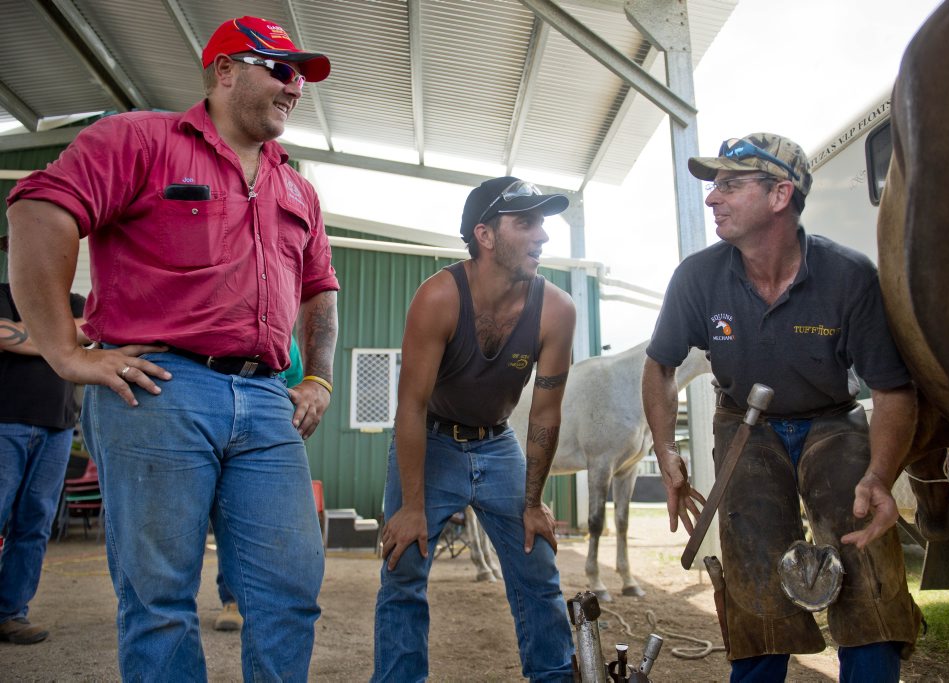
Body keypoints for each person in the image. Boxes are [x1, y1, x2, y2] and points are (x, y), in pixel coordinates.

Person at [5, 16, 338, 681]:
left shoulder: (296, 187)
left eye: (300, 76)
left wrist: (321, 380)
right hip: (160, 387)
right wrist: (68, 353)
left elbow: (320, 291)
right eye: (279, 68)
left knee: (291, 590)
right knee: (159, 598)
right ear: (224, 69)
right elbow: (39, 211)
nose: (295, 87)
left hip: (267, 398)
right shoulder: (140, 140)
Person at [641, 133, 923, 682]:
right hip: (745, 427)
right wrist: (665, 449)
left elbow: (892, 391)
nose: (712, 198)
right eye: (713, 185)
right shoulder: (698, 278)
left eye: (730, 184)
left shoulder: (849, 276)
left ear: (779, 195)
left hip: (832, 422)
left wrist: (881, 476)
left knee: (864, 561)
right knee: (754, 575)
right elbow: (660, 366)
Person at [373, 177, 577, 682]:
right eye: (525, 223)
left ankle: (553, 676)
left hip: (497, 442)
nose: (542, 236)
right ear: (485, 235)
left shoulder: (557, 309)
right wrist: (413, 506)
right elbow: (411, 406)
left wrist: (532, 503)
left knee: (538, 566)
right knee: (403, 568)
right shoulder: (439, 297)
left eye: (543, 223)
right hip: (431, 438)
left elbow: (546, 413)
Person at [0, 235, 88, 645]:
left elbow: (88, 334)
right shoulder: (2, 295)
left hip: (57, 426)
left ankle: (10, 613)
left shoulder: (75, 303)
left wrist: (29, 337)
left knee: (34, 523)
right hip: (5, 423)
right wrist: (60, 341)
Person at [213, 334, 304, 633]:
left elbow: (294, 386)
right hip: (199, 417)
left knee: (239, 526)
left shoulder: (282, 340)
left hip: (259, 431)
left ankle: (235, 600)